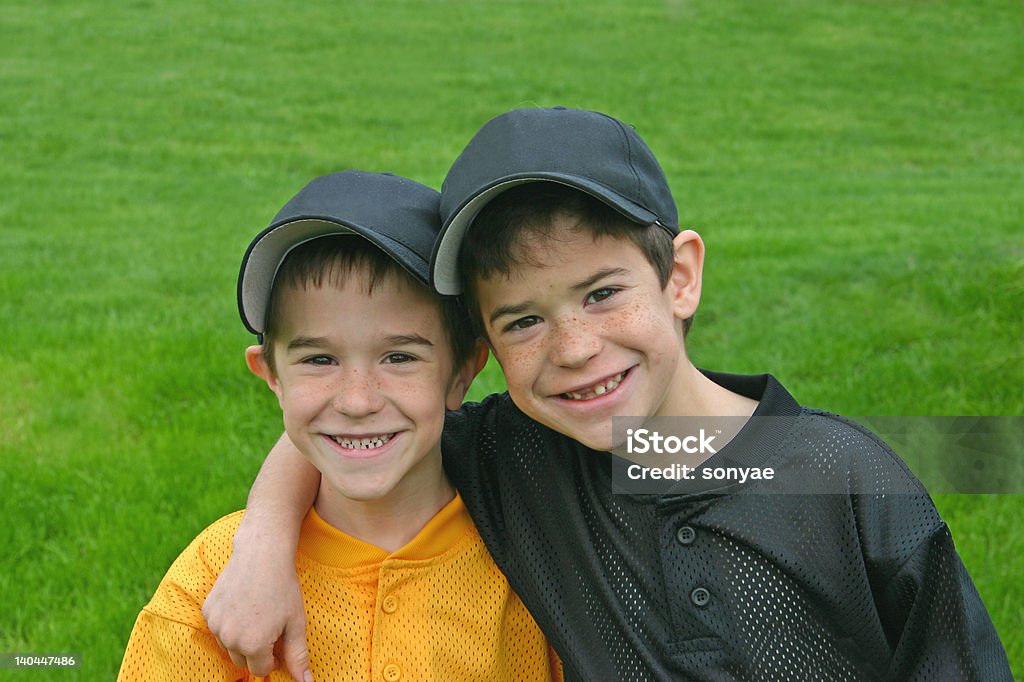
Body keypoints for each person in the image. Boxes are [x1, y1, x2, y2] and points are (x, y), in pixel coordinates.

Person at [202, 110, 1012, 680]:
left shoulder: (837, 474)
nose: (575, 349)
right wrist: (263, 546)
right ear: (482, 354)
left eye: (600, 293)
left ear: (681, 275)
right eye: (522, 320)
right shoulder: (524, 457)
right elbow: (362, 416)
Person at [117, 170, 562, 682]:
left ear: (463, 372)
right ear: (271, 375)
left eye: (399, 356)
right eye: (319, 360)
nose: (357, 400)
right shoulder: (215, 580)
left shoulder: (531, 554)